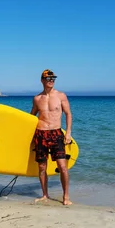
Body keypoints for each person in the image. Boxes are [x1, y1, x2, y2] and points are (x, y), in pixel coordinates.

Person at [30, 69, 73, 205]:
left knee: (62, 166)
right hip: (41, 133)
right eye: (48, 78)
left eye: (53, 78)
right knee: (42, 167)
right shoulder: (37, 99)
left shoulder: (61, 96)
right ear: (42, 80)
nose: (51, 80)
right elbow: (31, 117)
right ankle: (45, 195)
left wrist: (68, 133)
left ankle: (66, 196)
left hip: (56, 133)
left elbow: (68, 114)